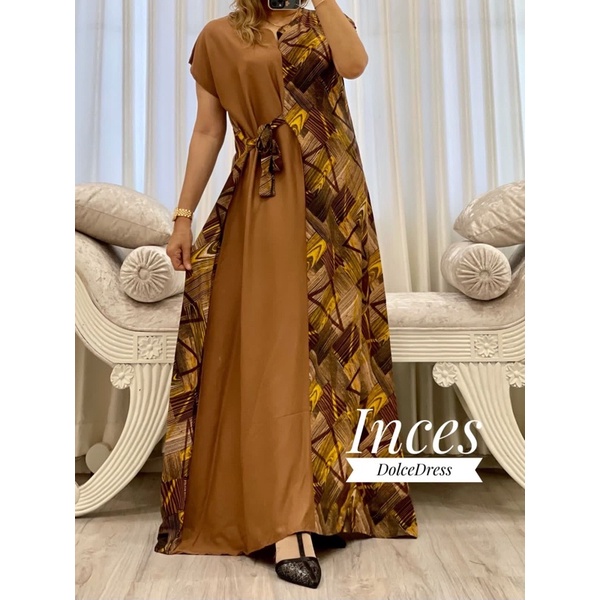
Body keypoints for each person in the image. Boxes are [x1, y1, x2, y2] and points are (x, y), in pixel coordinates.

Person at [155, 0, 418, 589]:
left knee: (329, 354)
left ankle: (326, 504)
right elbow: (208, 129)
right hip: (266, 194)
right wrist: (182, 216)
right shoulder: (218, 37)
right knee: (275, 353)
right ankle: (285, 523)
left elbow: (355, 65)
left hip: (334, 200)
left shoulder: (324, 22)